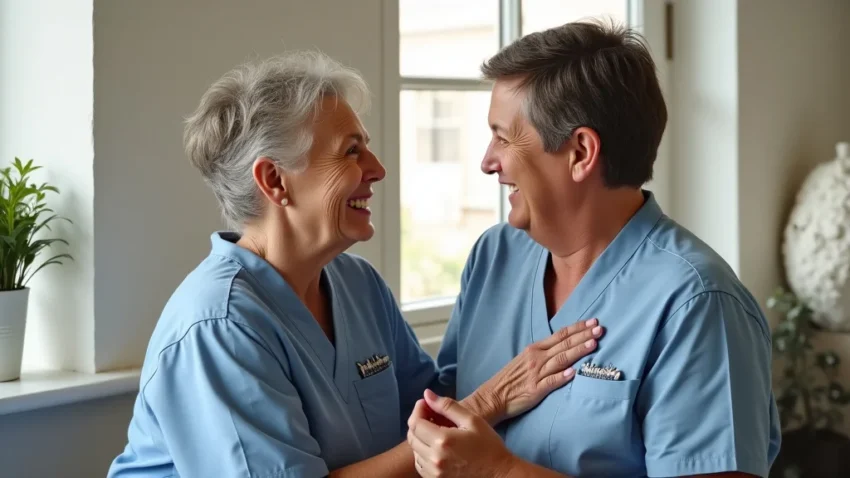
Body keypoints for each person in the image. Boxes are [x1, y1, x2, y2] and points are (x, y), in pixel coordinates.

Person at [106, 51, 605, 478]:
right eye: (351, 152)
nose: (378, 169)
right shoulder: (217, 326)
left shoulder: (357, 284)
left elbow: (428, 420)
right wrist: (488, 401)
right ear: (275, 182)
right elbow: (448, 427)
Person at [407, 21, 781, 478]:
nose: (488, 161)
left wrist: (501, 472)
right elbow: (442, 429)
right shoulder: (493, 258)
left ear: (581, 152)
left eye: (503, 137)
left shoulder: (698, 305)